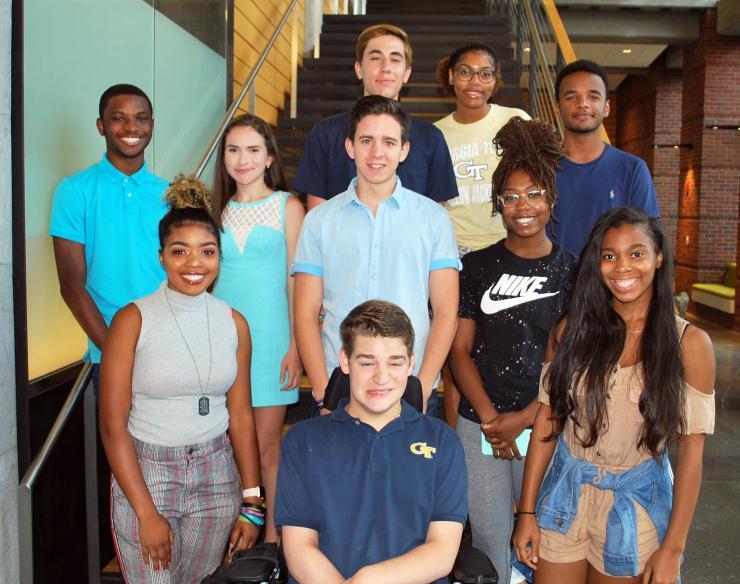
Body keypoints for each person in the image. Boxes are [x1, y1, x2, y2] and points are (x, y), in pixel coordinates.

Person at [513, 207, 715, 583]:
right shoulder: (571, 330)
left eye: (636, 253)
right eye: (610, 256)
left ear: (658, 257)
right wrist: (526, 513)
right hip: (563, 501)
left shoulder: (689, 344)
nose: (623, 267)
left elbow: (691, 450)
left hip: (634, 506)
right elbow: (547, 420)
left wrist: (673, 547)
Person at [99, 178, 264, 583]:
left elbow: (241, 416)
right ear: (161, 257)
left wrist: (252, 503)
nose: (194, 263)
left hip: (216, 474)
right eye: (180, 251)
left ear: (219, 258)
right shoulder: (132, 320)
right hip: (149, 473)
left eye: (207, 252)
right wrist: (145, 512)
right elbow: (112, 425)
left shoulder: (234, 323)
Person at [448, 117, 576, 583]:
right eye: (512, 197)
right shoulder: (476, 266)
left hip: (544, 423)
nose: (524, 207)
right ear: (498, 203)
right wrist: (489, 420)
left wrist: (522, 418)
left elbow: (568, 361)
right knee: (488, 540)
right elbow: (459, 350)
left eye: (535, 194)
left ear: (551, 199)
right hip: (479, 425)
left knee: (542, 538)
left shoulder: (572, 270)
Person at [275, 300, 468, 584]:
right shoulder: (302, 441)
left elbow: (442, 551)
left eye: (395, 362)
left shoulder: (443, 442)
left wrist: (368, 578)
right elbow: (299, 547)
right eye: (367, 362)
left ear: (411, 363)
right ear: (345, 361)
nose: (381, 377)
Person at [293, 95, 460, 416]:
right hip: (339, 383)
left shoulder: (432, 218)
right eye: (366, 140)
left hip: (409, 383)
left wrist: (422, 386)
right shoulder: (319, 220)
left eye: (388, 141)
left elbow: (446, 310)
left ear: (404, 150)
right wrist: (320, 389)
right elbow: (305, 312)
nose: (377, 152)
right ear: (350, 147)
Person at [210, 113, 305, 544]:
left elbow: (296, 281)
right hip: (220, 342)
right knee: (228, 447)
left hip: (271, 343)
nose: (242, 159)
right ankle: (232, 533)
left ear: (269, 157)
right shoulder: (213, 209)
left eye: (252, 149)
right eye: (233, 150)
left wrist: (297, 346)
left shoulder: (288, 205)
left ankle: (273, 539)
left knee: (267, 447)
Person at [434, 42, 531, 428]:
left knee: (507, 352)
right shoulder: (436, 134)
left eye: (485, 73)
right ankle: (457, 445)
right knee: (456, 357)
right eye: (465, 71)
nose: (475, 81)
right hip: (457, 257)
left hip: (506, 250)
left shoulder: (515, 121)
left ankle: (511, 431)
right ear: (451, 77)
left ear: (495, 80)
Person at [50, 84, 169, 391]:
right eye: (118, 118)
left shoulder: (171, 194)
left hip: (172, 347)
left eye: (141, 118)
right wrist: (118, 353)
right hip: (112, 350)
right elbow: (71, 286)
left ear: (152, 126)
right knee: (121, 440)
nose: (131, 127)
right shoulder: (74, 190)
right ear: (101, 126)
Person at [293, 23, 458, 210]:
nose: (385, 67)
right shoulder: (325, 134)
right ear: (358, 69)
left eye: (395, 60)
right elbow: (317, 213)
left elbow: (435, 215)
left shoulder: (431, 138)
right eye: (375, 58)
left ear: (407, 73)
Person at [550, 60, 660, 256]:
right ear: (557, 108)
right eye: (571, 97)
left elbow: (646, 240)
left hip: (609, 283)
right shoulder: (539, 168)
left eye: (593, 96)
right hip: (550, 283)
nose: (582, 103)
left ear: (606, 107)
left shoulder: (632, 170)